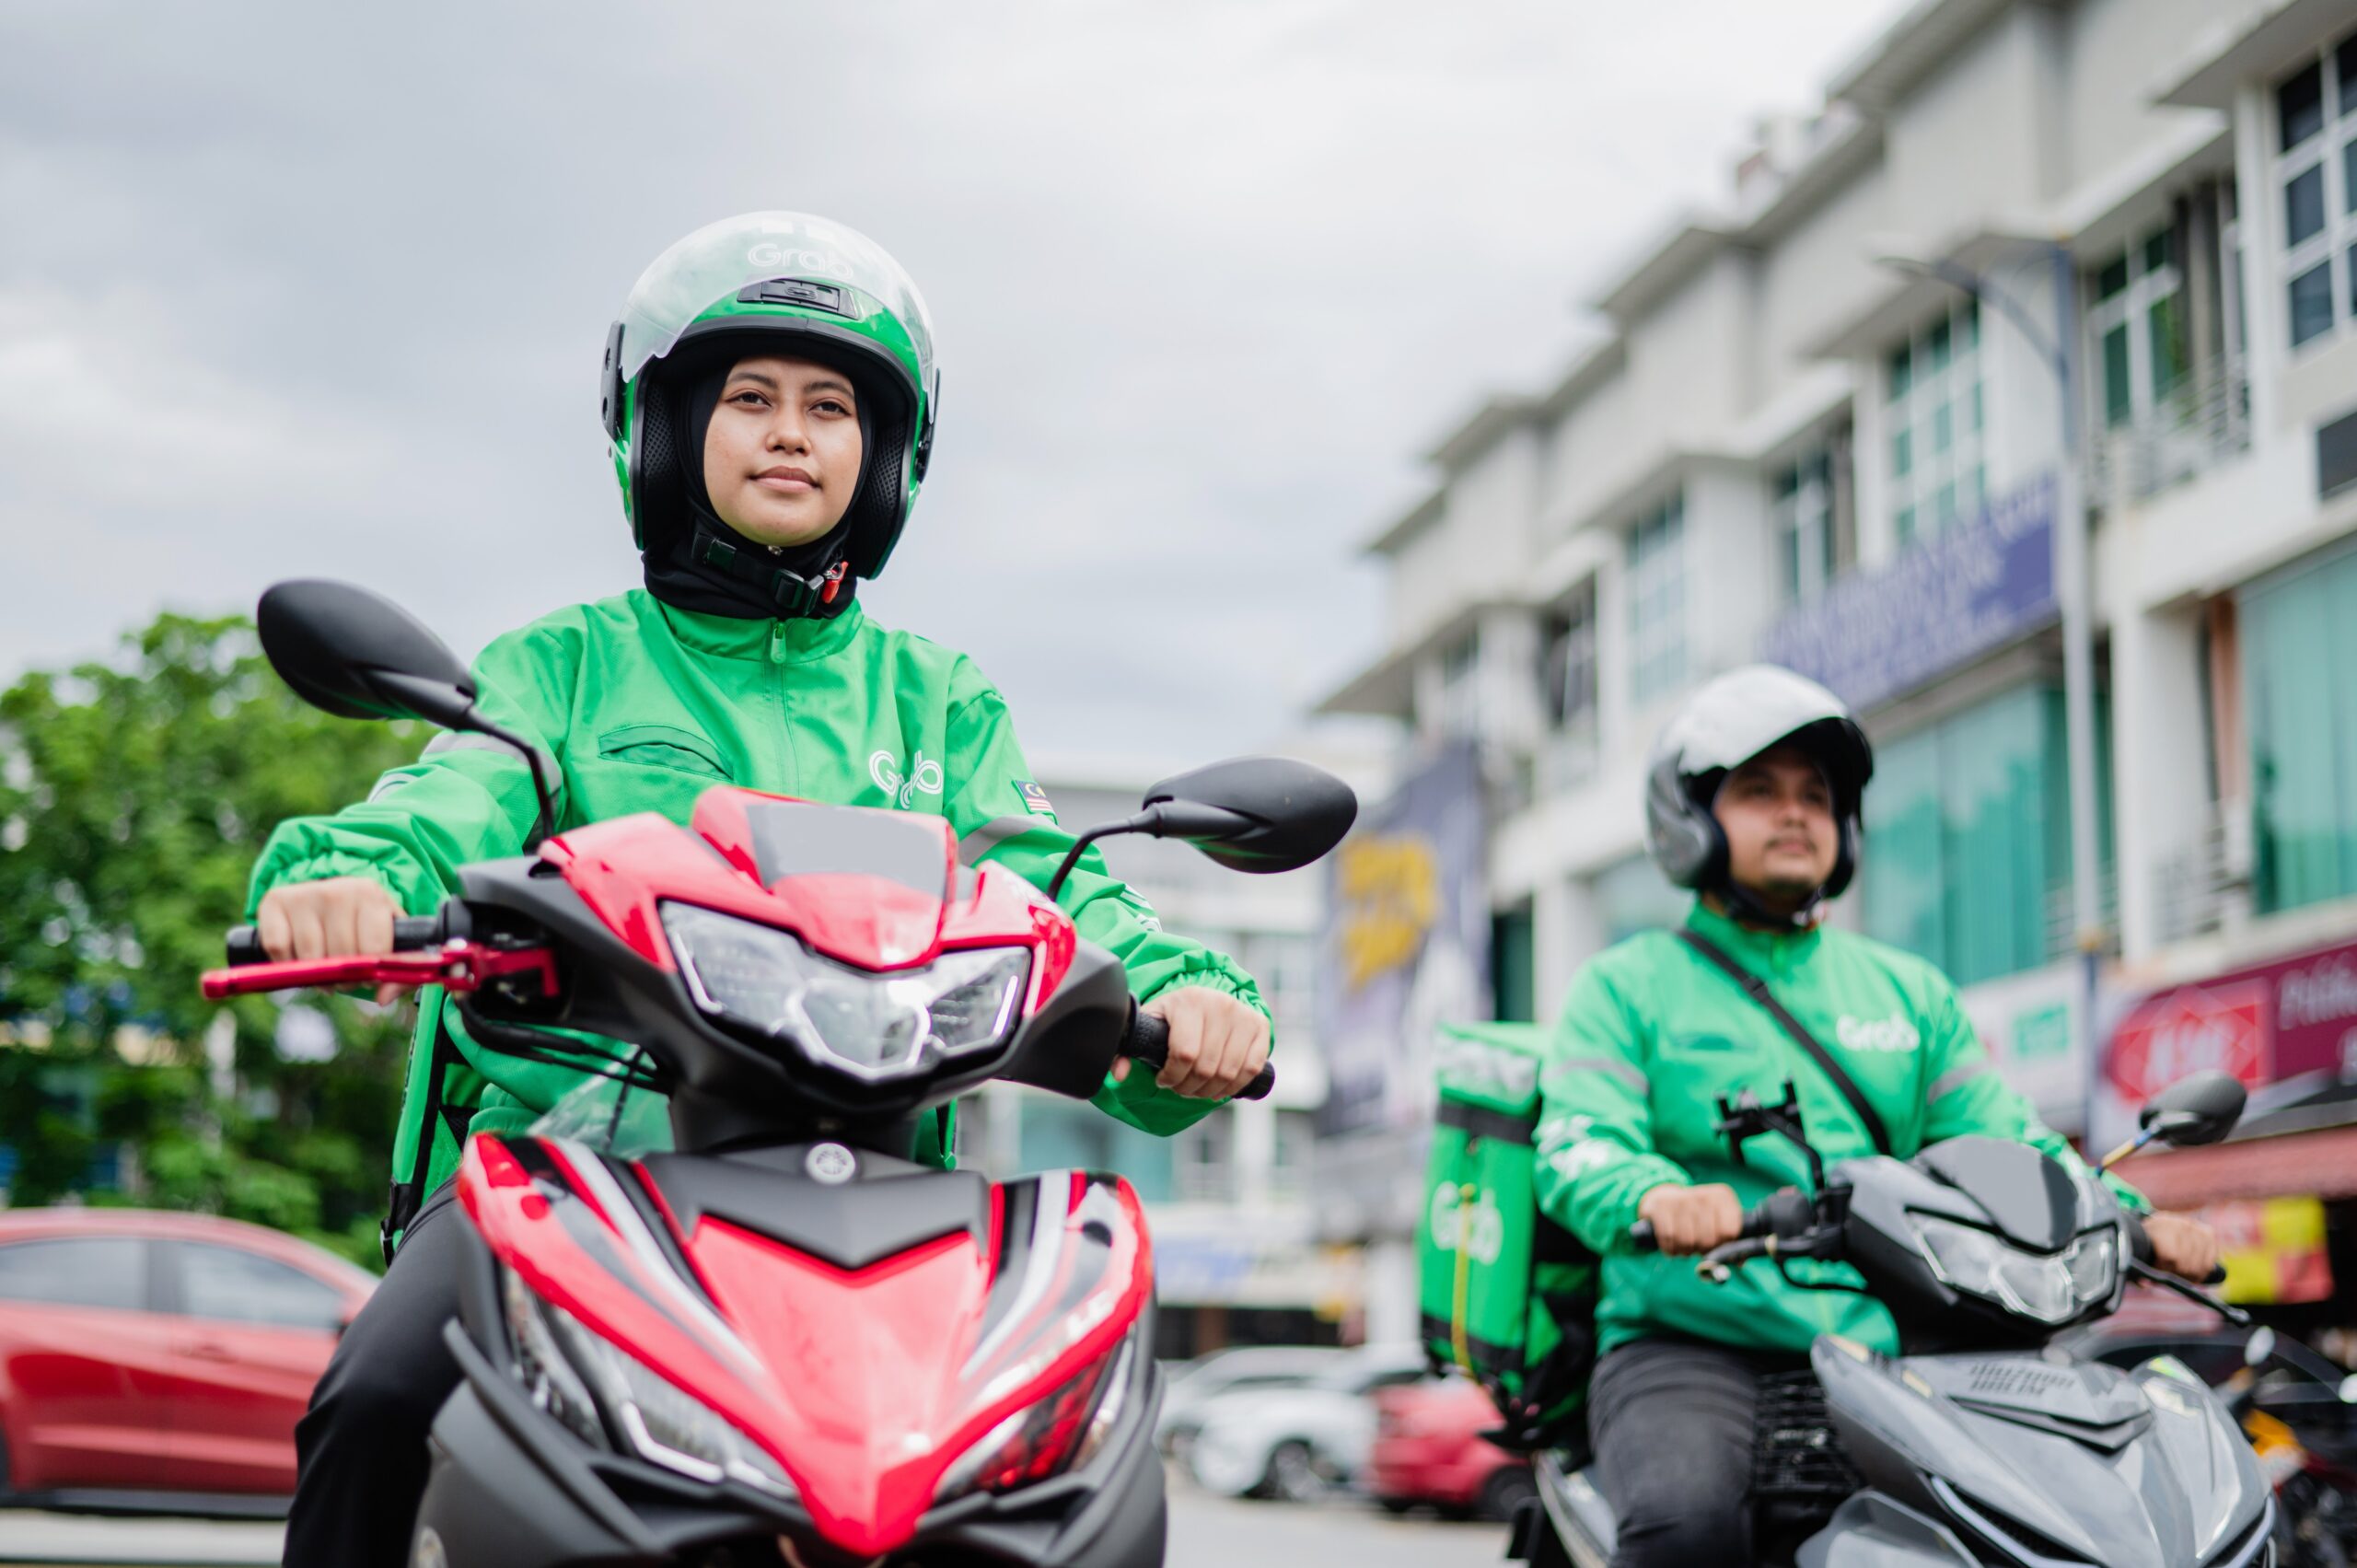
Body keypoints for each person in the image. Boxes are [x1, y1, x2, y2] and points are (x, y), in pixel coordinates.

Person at [246, 212, 1273, 1568]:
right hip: (574, 1174)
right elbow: (444, 806)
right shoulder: (563, 665)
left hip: (888, 1200)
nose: (791, 431)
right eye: (750, 397)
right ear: (665, 430)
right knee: (377, 1397)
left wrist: (1191, 995)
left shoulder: (940, 699)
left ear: (885, 454)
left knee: (1077, 1469)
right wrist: (347, 881)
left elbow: (1050, 892)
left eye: (831, 405)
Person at [1532, 665, 2221, 1568]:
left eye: (1815, 795)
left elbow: (2010, 1140)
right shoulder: (1626, 985)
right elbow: (1576, 1143)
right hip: (1693, 1340)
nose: (1794, 814)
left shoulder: (1907, 991)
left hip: (1894, 1344)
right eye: (1758, 791)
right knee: (1683, 1529)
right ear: (1689, 819)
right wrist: (1658, 1195)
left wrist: (2133, 1217)